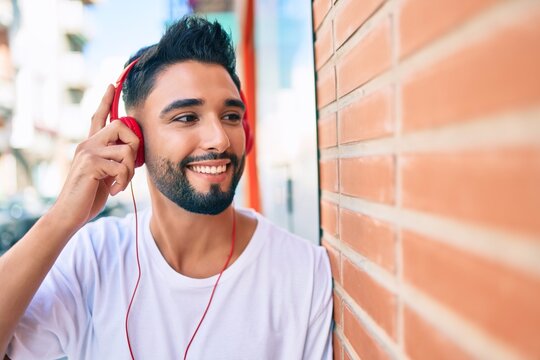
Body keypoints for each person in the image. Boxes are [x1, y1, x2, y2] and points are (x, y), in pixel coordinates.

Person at [0, 16, 333, 359]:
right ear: (134, 140)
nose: (219, 139)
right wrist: (60, 219)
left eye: (231, 116)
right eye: (187, 117)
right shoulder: (92, 259)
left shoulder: (304, 272)